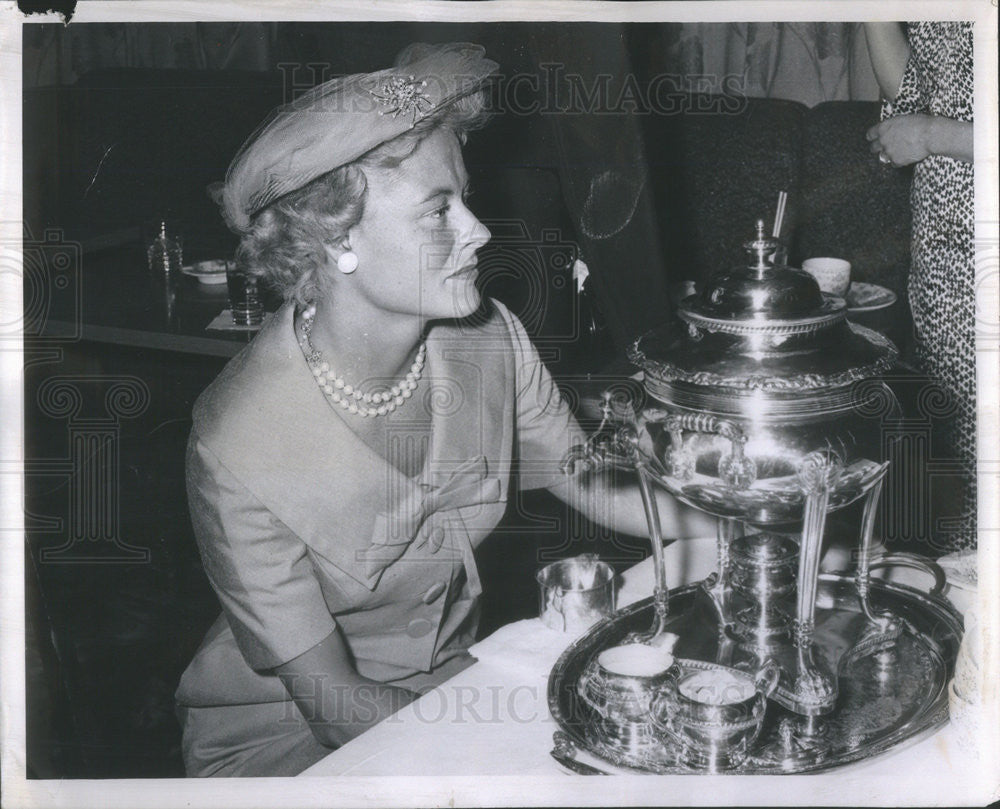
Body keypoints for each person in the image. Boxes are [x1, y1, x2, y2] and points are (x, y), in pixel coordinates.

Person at [174, 42, 715, 777]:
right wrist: (524, 742)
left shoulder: (486, 338)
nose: (479, 231)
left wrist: (755, 527)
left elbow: (595, 482)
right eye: (439, 211)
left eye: (466, 199)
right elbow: (335, 707)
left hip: (455, 685)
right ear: (338, 240)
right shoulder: (235, 444)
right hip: (291, 742)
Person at [864, 22, 976, 552]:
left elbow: (933, 124)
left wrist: (934, 136)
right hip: (943, 263)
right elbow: (915, 91)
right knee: (967, 462)